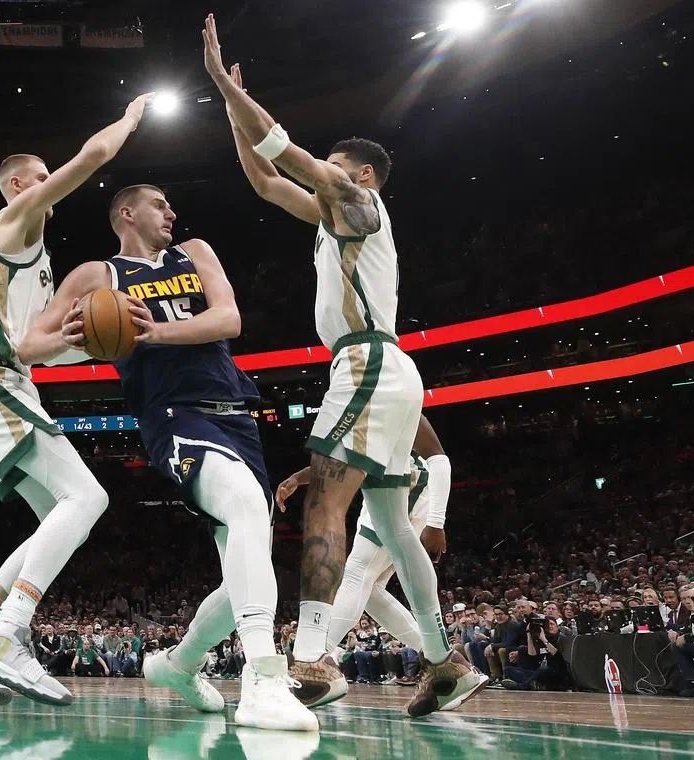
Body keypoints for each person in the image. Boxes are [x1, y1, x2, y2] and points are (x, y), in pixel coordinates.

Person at [201, 14, 482, 718]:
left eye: (333, 168)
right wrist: (233, 113)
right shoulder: (338, 219)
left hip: (366, 366)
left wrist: (224, 89)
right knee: (389, 525)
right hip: (389, 367)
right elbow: (267, 181)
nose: (325, 178)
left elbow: (284, 151)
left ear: (359, 174)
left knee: (329, 504)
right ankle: (446, 659)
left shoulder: (359, 201)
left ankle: (312, 658)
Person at [19, 183, 317, 730]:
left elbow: (228, 321)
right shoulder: (97, 277)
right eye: (161, 204)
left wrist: (150, 331)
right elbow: (29, 345)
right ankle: (263, 681)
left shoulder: (196, 253)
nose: (172, 212)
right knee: (249, 509)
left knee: (246, 571)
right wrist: (75, 334)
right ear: (126, 214)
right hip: (173, 415)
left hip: (235, 412)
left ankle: (180, 663)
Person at [0, 92, 155, 707]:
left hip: (4, 379)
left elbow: (33, 347)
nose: (53, 185)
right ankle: (7, 634)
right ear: (20, 184)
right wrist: (130, 118)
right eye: (44, 178)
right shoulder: (14, 223)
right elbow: (94, 155)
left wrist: (95, 343)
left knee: (64, 517)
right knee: (89, 496)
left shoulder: (35, 260)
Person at [275, 415, 482, 707]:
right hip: (385, 487)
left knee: (357, 573)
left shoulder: (387, 388)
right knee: (369, 591)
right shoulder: (359, 404)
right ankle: (444, 666)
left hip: (405, 487)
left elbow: (438, 459)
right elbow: (344, 463)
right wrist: (299, 477)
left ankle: (314, 664)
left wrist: (437, 521)